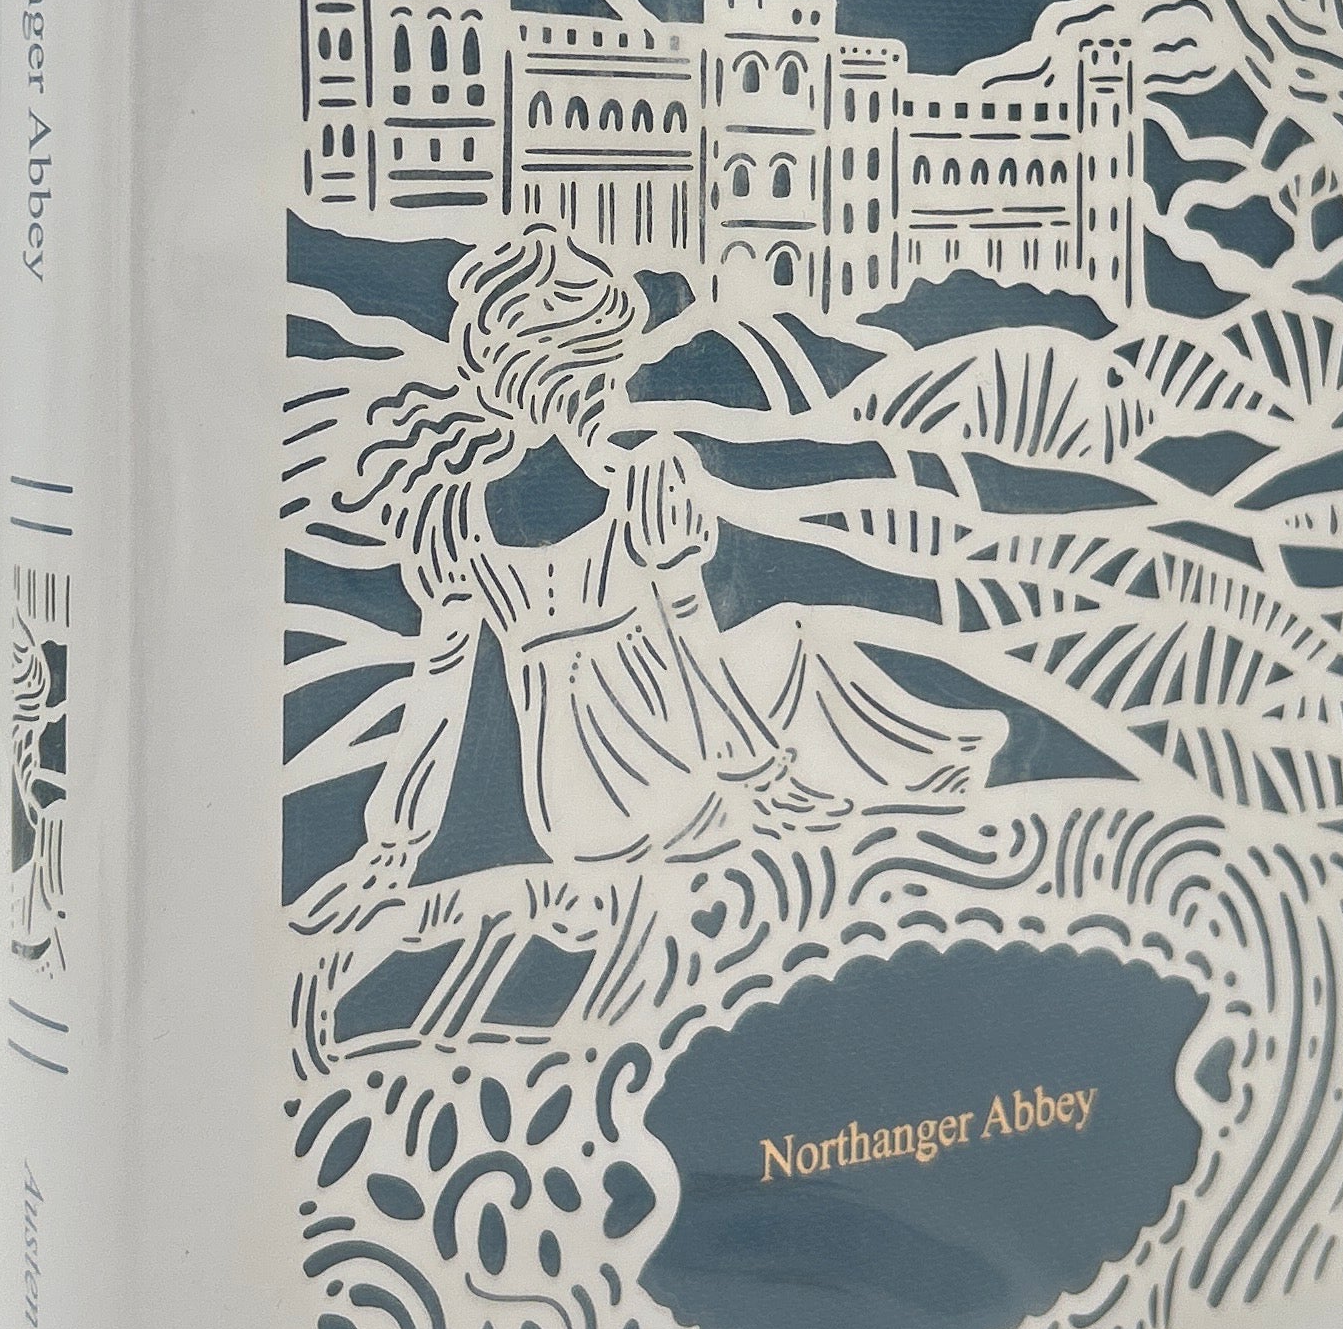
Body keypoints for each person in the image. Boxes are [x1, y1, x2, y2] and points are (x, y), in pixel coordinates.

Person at [312, 224, 991, 904]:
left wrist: (392, 848)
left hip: (569, 817)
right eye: (608, 368)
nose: (617, 385)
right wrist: (761, 779)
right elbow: (692, 652)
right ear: (574, 378)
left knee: (785, 640)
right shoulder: (643, 480)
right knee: (797, 638)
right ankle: (918, 780)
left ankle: (911, 774)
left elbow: (436, 701)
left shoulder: (453, 517)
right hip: (672, 787)